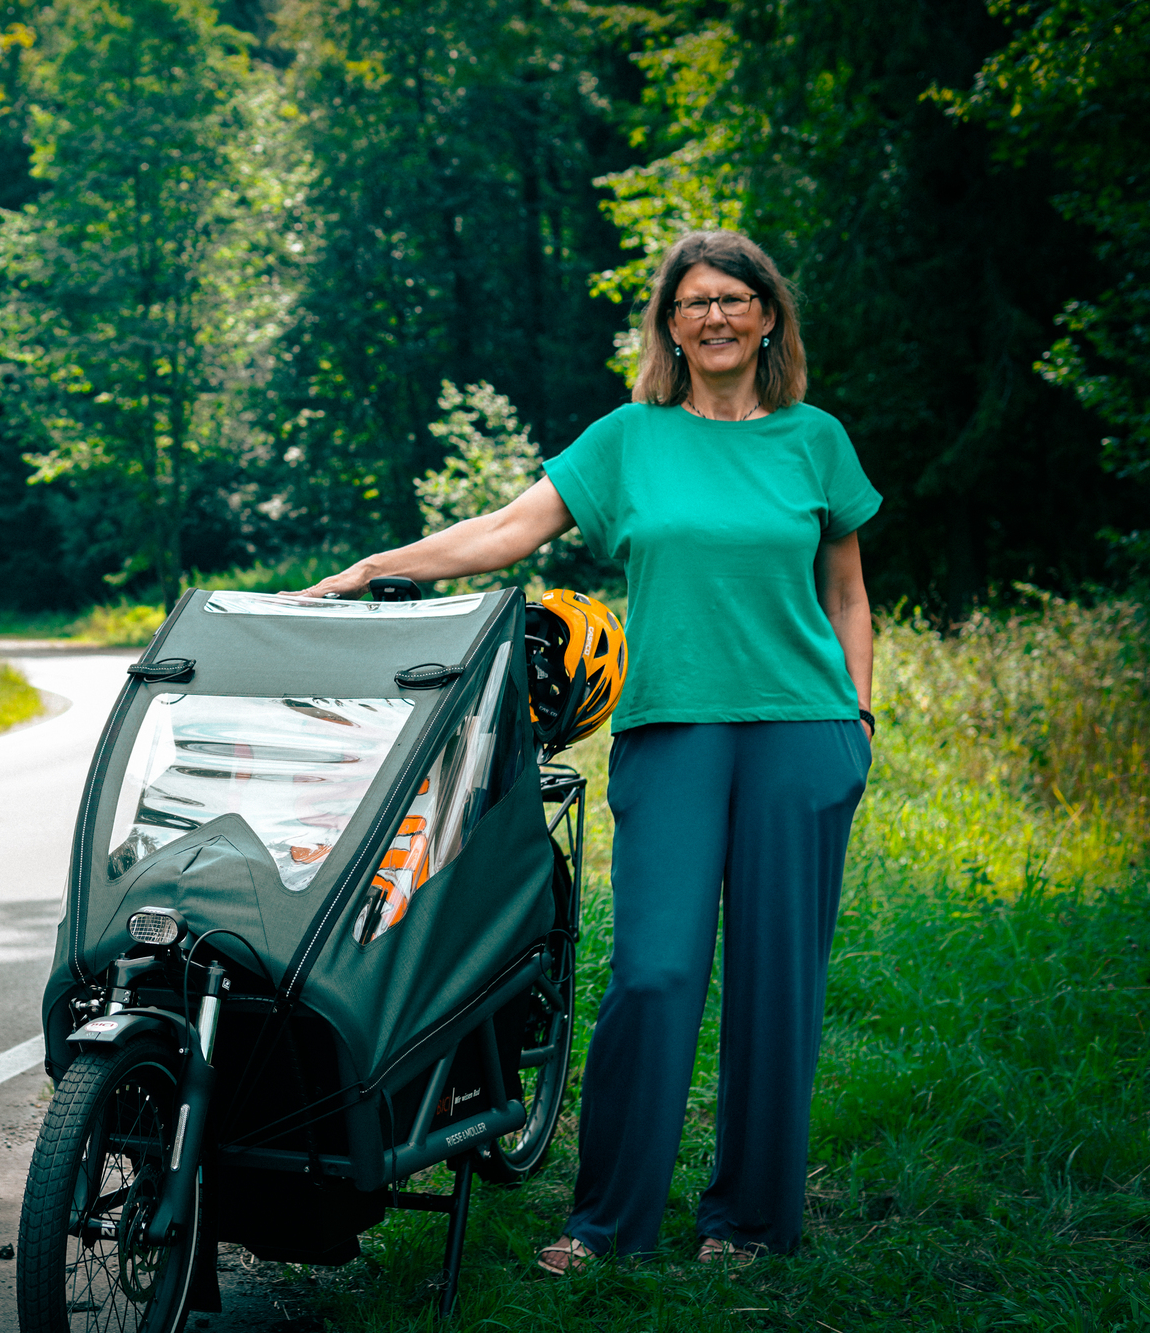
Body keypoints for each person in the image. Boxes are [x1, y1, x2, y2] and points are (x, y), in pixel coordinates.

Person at [297, 230, 879, 1270]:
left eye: (732, 299)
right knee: (653, 972)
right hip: (671, 731)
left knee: (775, 983)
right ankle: (606, 1224)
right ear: (669, 325)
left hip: (802, 735)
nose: (713, 316)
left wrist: (860, 720)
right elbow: (505, 530)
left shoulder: (814, 439)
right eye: (693, 301)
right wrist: (376, 566)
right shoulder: (628, 439)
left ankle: (749, 1222)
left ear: (766, 317)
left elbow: (845, 591)